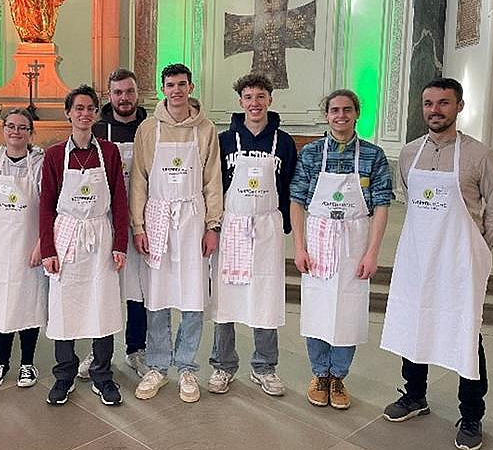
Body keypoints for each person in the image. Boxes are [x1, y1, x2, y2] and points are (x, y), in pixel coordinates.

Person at [380, 78, 493, 450]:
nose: (435, 110)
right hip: (418, 257)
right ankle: (414, 395)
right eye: (428, 103)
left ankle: (471, 415)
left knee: (466, 333)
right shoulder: (410, 153)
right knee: (414, 322)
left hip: (459, 264)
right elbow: (409, 196)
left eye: (443, 103)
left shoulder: (480, 155)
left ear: (459, 106)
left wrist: (476, 249)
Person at [290, 89, 392, 410]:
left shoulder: (373, 155)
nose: (341, 115)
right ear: (326, 115)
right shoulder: (311, 153)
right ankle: (320, 374)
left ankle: (339, 377)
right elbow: (296, 200)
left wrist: (372, 252)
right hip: (318, 242)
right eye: (335, 110)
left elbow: (382, 206)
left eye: (347, 109)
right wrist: (299, 247)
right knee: (317, 308)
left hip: (355, 243)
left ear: (357, 113)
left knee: (349, 310)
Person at [130, 63, 223, 403]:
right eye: (170, 85)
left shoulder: (206, 129)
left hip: (193, 219)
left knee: (193, 296)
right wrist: (138, 226)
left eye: (182, 84)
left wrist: (212, 225)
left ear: (191, 87)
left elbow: (213, 180)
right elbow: (138, 180)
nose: (177, 90)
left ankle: (186, 366)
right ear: (163, 89)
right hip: (157, 218)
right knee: (157, 296)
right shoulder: (148, 129)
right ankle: (157, 365)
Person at [207, 73, 297, 396]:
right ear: (240, 101)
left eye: (260, 96)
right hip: (232, 225)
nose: (254, 103)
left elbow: (289, 185)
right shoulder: (224, 140)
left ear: (270, 99)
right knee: (225, 298)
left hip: (267, 227)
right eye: (248, 97)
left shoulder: (284, 142)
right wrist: (214, 224)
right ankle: (222, 364)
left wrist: (283, 224)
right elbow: (214, 185)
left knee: (266, 296)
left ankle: (264, 367)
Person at [40, 84, 128, 406]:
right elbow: (46, 206)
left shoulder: (109, 152)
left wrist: (120, 244)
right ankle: (64, 375)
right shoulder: (54, 155)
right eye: (79, 108)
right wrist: (48, 250)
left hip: (100, 236)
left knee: (102, 305)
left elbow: (120, 200)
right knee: (64, 307)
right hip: (66, 238)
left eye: (90, 108)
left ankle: (102, 375)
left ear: (96, 114)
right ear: (69, 113)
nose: (85, 114)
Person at [77, 68, 149, 380]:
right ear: (109, 95)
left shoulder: (150, 128)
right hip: (105, 221)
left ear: (137, 93)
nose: (124, 98)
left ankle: (136, 349)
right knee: (102, 287)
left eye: (129, 91)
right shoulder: (97, 130)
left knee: (139, 290)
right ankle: (98, 349)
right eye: (118, 92)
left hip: (143, 220)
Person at [0, 108, 47, 389]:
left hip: (29, 249)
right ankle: (1, 362)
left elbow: (49, 207)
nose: (16, 132)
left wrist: (41, 244)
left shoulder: (40, 164)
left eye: (22, 127)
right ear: (3, 130)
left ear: (31, 133)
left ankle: (27, 363)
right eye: (11, 126)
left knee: (28, 304)